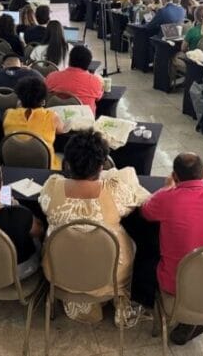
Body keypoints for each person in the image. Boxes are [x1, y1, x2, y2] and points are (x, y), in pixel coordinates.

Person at [39, 129, 147, 326]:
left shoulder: (52, 187)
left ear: (67, 164)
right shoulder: (114, 191)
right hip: (109, 275)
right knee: (133, 243)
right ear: (101, 165)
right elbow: (137, 192)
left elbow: (43, 203)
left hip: (60, 271)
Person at [141, 152, 203, 344]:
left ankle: (183, 316)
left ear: (175, 176)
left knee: (150, 260)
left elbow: (146, 211)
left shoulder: (167, 198)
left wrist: (167, 188)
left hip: (176, 286)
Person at [3, 77, 66, 169]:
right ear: (43, 100)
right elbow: (62, 130)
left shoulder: (8, 114)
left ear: (19, 99)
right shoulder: (52, 116)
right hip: (46, 168)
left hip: (14, 166)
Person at [45, 45, 104, 112]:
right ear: (88, 64)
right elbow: (98, 98)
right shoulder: (95, 81)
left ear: (69, 60)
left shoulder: (52, 77)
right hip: (84, 118)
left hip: (54, 116)